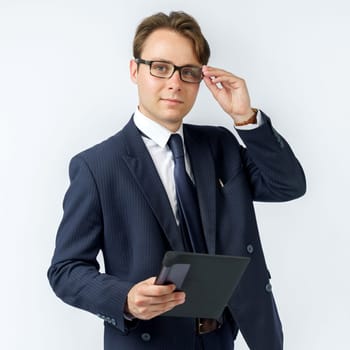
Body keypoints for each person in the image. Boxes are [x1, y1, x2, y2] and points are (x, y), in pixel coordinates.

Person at [47, 11, 306, 350]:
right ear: (134, 71)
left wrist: (245, 118)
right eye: (160, 67)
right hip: (150, 339)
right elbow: (65, 270)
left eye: (188, 72)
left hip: (222, 338)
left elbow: (287, 185)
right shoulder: (97, 166)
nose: (174, 83)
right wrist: (124, 297)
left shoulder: (220, 145)